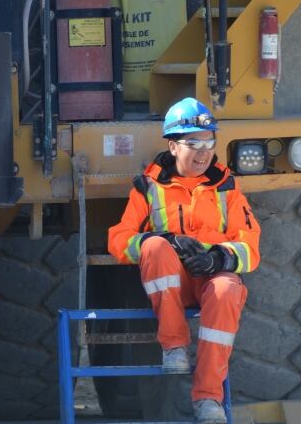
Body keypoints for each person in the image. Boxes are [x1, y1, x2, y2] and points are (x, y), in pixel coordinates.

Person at [107, 97, 261, 424]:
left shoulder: (227, 188)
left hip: (211, 278)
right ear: (173, 146)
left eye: (209, 142)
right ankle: (174, 347)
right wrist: (162, 240)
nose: (204, 151)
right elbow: (119, 241)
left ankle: (208, 401)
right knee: (155, 248)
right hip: (169, 284)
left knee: (227, 291)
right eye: (194, 142)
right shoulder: (147, 188)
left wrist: (217, 257)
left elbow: (251, 247)